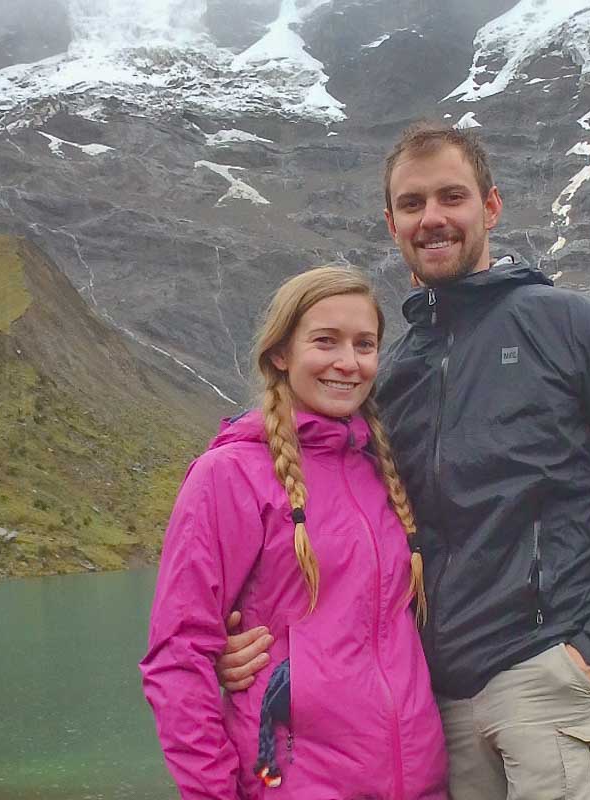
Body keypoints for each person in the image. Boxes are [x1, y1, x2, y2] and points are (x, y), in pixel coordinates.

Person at [219, 123, 590, 799]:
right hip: (436, 713)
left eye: (451, 196)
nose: (432, 218)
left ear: (490, 207)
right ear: (391, 223)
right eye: (413, 203)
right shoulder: (390, 375)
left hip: (556, 689)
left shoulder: (579, 330)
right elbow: (347, 542)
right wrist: (256, 641)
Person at [140, 266, 449, 799]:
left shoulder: (382, 470)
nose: (347, 363)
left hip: (417, 783)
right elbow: (178, 654)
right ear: (281, 352)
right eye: (325, 341)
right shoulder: (230, 474)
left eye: (365, 344)